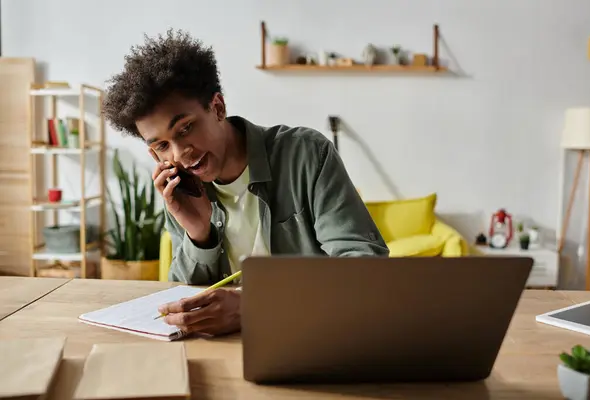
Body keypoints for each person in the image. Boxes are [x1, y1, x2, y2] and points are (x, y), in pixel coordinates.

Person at [102, 29, 389, 336]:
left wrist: (253, 306)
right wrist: (199, 234)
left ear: (218, 108)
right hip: (220, 349)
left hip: (310, 335)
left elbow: (365, 270)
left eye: (185, 129)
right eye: (161, 146)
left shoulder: (306, 154)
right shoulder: (180, 191)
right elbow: (183, 297)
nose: (180, 154)